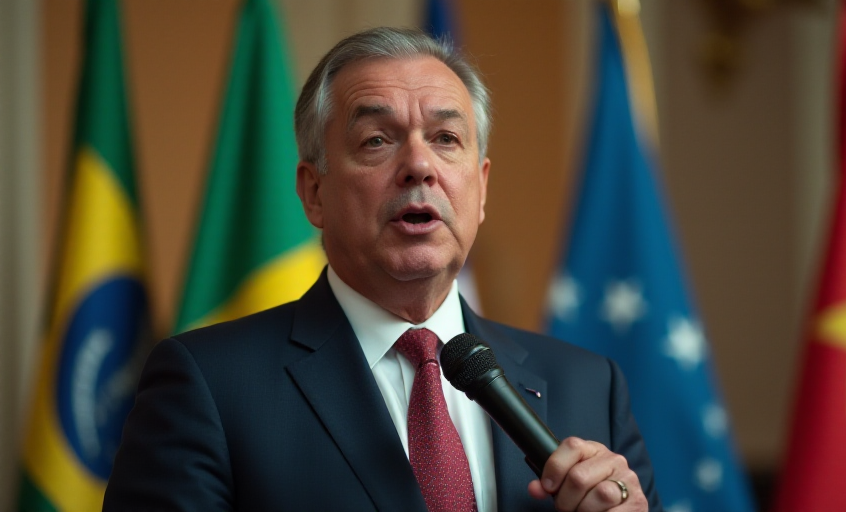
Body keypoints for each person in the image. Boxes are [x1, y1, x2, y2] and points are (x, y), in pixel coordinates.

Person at [105, 27, 661, 512]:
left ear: (481, 186)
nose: (419, 165)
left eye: (446, 139)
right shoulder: (208, 385)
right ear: (314, 192)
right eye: (376, 140)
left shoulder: (590, 388)